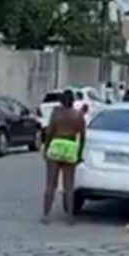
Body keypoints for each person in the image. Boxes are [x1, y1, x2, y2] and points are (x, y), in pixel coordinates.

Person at [42, 89, 86, 223]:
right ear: (73, 101)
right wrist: (79, 154)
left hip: (56, 145)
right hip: (70, 146)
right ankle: (70, 217)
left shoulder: (56, 114)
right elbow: (83, 137)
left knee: (50, 184)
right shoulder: (78, 116)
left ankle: (46, 215)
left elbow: (49, 133)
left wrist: (46, 149)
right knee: (69, 185)